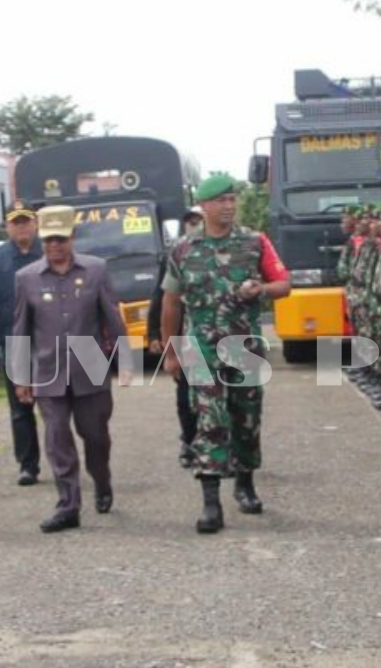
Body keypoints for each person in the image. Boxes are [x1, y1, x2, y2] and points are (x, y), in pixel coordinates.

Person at [160, 173, 291, 534]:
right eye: (221, 200)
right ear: (203, 207)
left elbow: (284, 286)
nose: (229, 206)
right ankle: (210, 502)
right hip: (200, 350)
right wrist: (172, 353)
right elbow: (170, 303)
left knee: (246, 417)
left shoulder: (255, 242)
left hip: (245, 348)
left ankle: (245, 484)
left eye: (233, 199)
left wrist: (261, 288)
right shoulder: (183, 249)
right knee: (208, 420)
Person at [9, 205, 129, 533]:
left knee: (95, 437)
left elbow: (112, 317)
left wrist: (125, 361)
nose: (54, 246)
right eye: (48, 240)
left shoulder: (96, 270)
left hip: (90, 369)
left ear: (73, 238)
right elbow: (20, 329)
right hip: (48, 371)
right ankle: (68, 505)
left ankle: (102, 482)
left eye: (60, 239)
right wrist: (21, 376)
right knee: (57, 438)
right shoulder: (26, 278)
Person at [0, 201, 45, 486]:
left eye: (26, 221)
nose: (22, 227)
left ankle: (63, 459)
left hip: (49, 341)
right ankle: (28, 465)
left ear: (36, 223)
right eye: (16, 222)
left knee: (55, 406)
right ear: (7, 226)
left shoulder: (50, 251)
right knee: (20, 408)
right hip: (14, 341)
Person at [147, 206, 204, 468]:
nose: (192, 226)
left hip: (220, 337)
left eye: (197, 221)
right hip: (184, 335)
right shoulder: (176, 253)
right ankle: (190, 442)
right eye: (189, 222)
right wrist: (154, 333)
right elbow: (161, 298)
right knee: (186, 395)